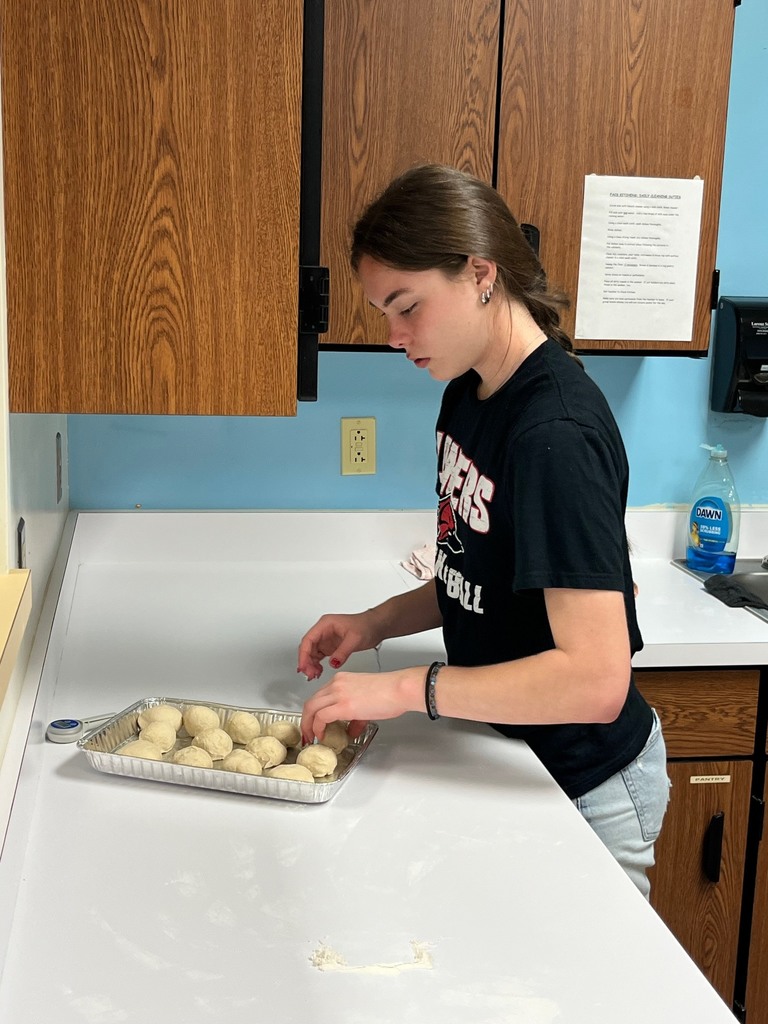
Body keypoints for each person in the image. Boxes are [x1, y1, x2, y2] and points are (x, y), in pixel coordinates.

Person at [297, 164, 669, 898]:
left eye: (408, 307)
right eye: (383, 313)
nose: (397, 337)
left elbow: (596, 681)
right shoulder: (470, 391)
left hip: (580, 788)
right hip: (509, 761)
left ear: (479, 274)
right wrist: (373, 625)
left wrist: (407, 689)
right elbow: (477, 571)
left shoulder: (554, 435)